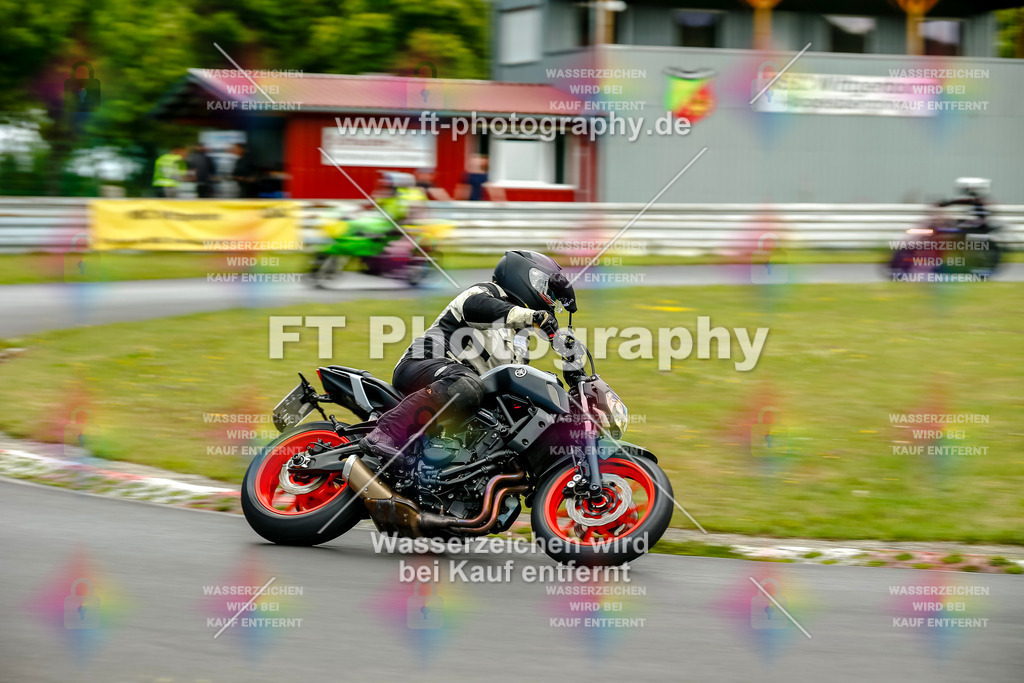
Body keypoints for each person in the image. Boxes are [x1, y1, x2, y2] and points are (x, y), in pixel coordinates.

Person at [361, 250, 576, 459]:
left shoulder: (521, 338)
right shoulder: (486, 293)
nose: (550, 300)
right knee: (467, 385)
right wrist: (532, 316)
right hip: (423, 363)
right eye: (547, 290)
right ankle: (385, 432)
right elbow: (479, 308)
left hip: (462, 393)